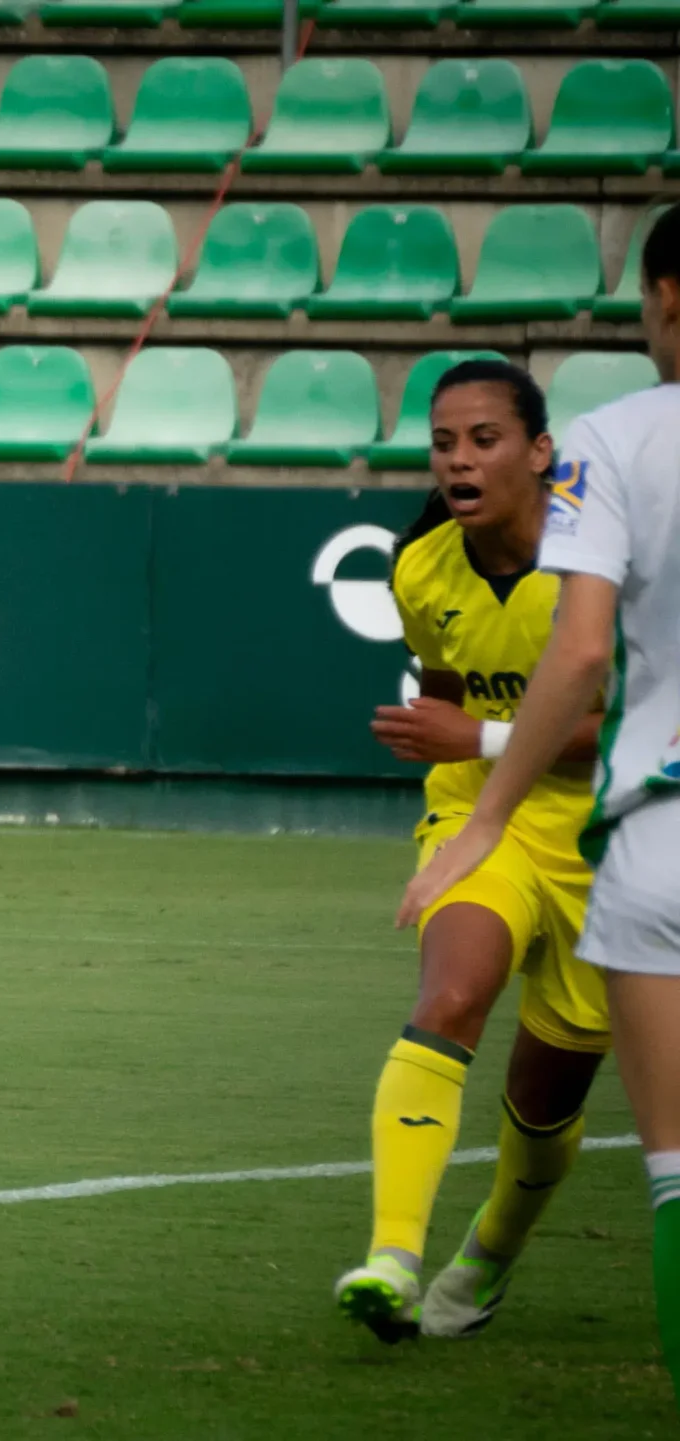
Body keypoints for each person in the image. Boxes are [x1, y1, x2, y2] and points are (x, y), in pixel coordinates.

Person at [404, 206, 680, 1403]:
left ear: (663, 301)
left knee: (673, 1163)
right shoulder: (431, 565)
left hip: (651, 834)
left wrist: (481, 798)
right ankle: (437, 1253)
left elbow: (579, 659)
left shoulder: (621, 442)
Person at [337, 361, 609, 1344]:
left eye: (483, 439)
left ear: (539, 452)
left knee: (543, 1100)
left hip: (601, 837)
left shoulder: (602, 563)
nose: (458, 459)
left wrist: (480, 737)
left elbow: (634, 728)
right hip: (475, 817)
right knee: (448, 998)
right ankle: (393, 1260)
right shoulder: (421, 567)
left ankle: (489, 1249)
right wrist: (449, 738)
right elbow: (450, 698)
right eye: (443, 442)